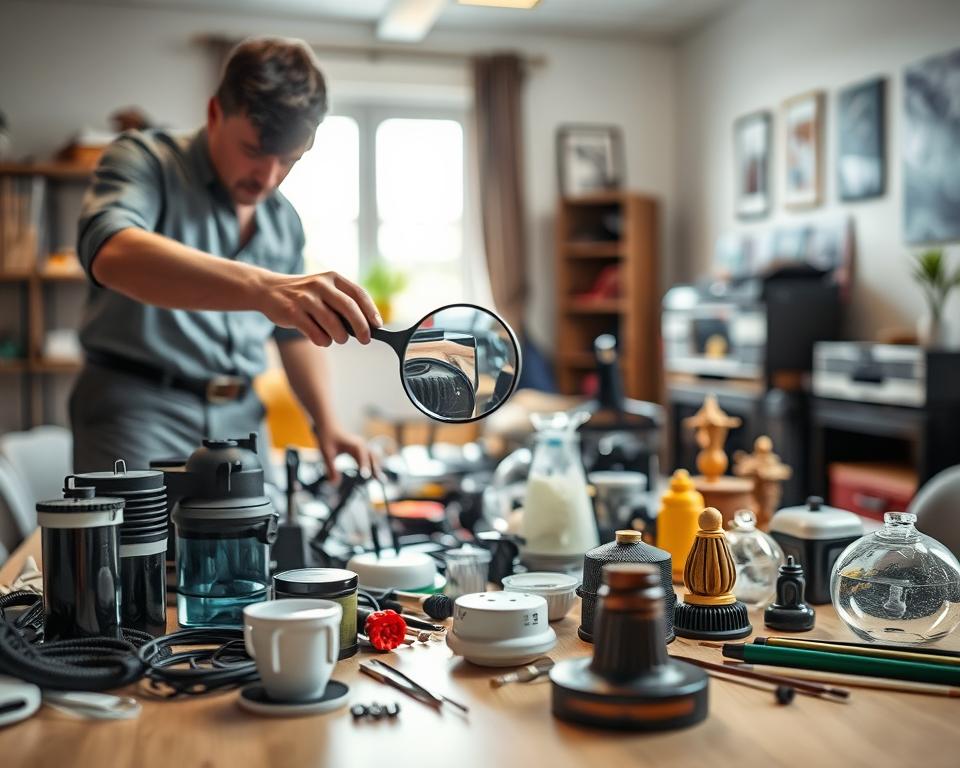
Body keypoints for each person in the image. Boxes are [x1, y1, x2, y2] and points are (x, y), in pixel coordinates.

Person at [71, 37, 380, 480]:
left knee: (266, 529)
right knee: (139, 530)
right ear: (215, 113)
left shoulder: (284, 221)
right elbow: (111, 251)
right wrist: (263, 288)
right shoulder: (145, 160)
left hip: (242, 419)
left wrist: (327, 422)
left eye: (288, 160)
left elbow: (291, 336)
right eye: (253, 152)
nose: (268, 178)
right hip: (138, 410)